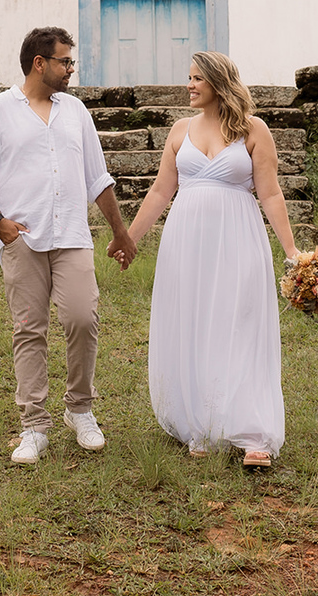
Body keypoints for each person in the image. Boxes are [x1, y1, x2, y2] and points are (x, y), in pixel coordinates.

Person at [0, 26, 137, 465]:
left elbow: (97, 177)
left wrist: (120, 231)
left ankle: (80, 409)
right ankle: (34, 426)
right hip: (22, 237)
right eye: (65, 61)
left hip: (72, 235)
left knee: (82, 318)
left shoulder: (76, 111)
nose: (71, 69)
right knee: (29, 328)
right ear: (39, 63)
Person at [123, 50, 298, 468]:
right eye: (189, 78)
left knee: (240, 321)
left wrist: (291, 251)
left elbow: (270, 193)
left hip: (238, 237)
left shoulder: (252, 129)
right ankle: (202, 423)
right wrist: (129, 238)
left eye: (198, 79)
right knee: (195, 322)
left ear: (219, 83)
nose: (189, 85)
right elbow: (161, 191)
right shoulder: (179, 131)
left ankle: (253, 432)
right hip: (187, 242)